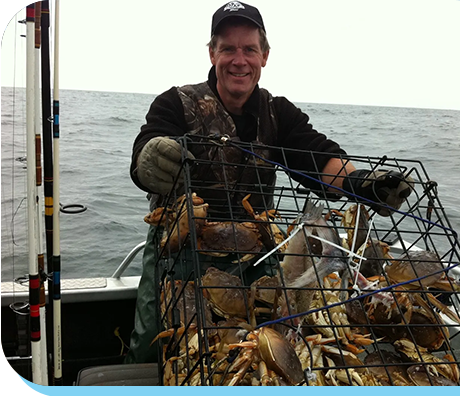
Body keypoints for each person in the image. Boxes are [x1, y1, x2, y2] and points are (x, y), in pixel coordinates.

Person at [125, 1, 413, 364]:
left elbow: (318, 156)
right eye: (228, 48)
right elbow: (148, 145)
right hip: (179, 253)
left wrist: (362, 184)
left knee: (263, 345)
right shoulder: (176, 104)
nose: (239, 60)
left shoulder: (279, 114)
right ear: (212, 53)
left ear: (265, 55)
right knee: (153, 343)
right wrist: (150, 158)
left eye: (249, 49)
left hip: (256, 254)